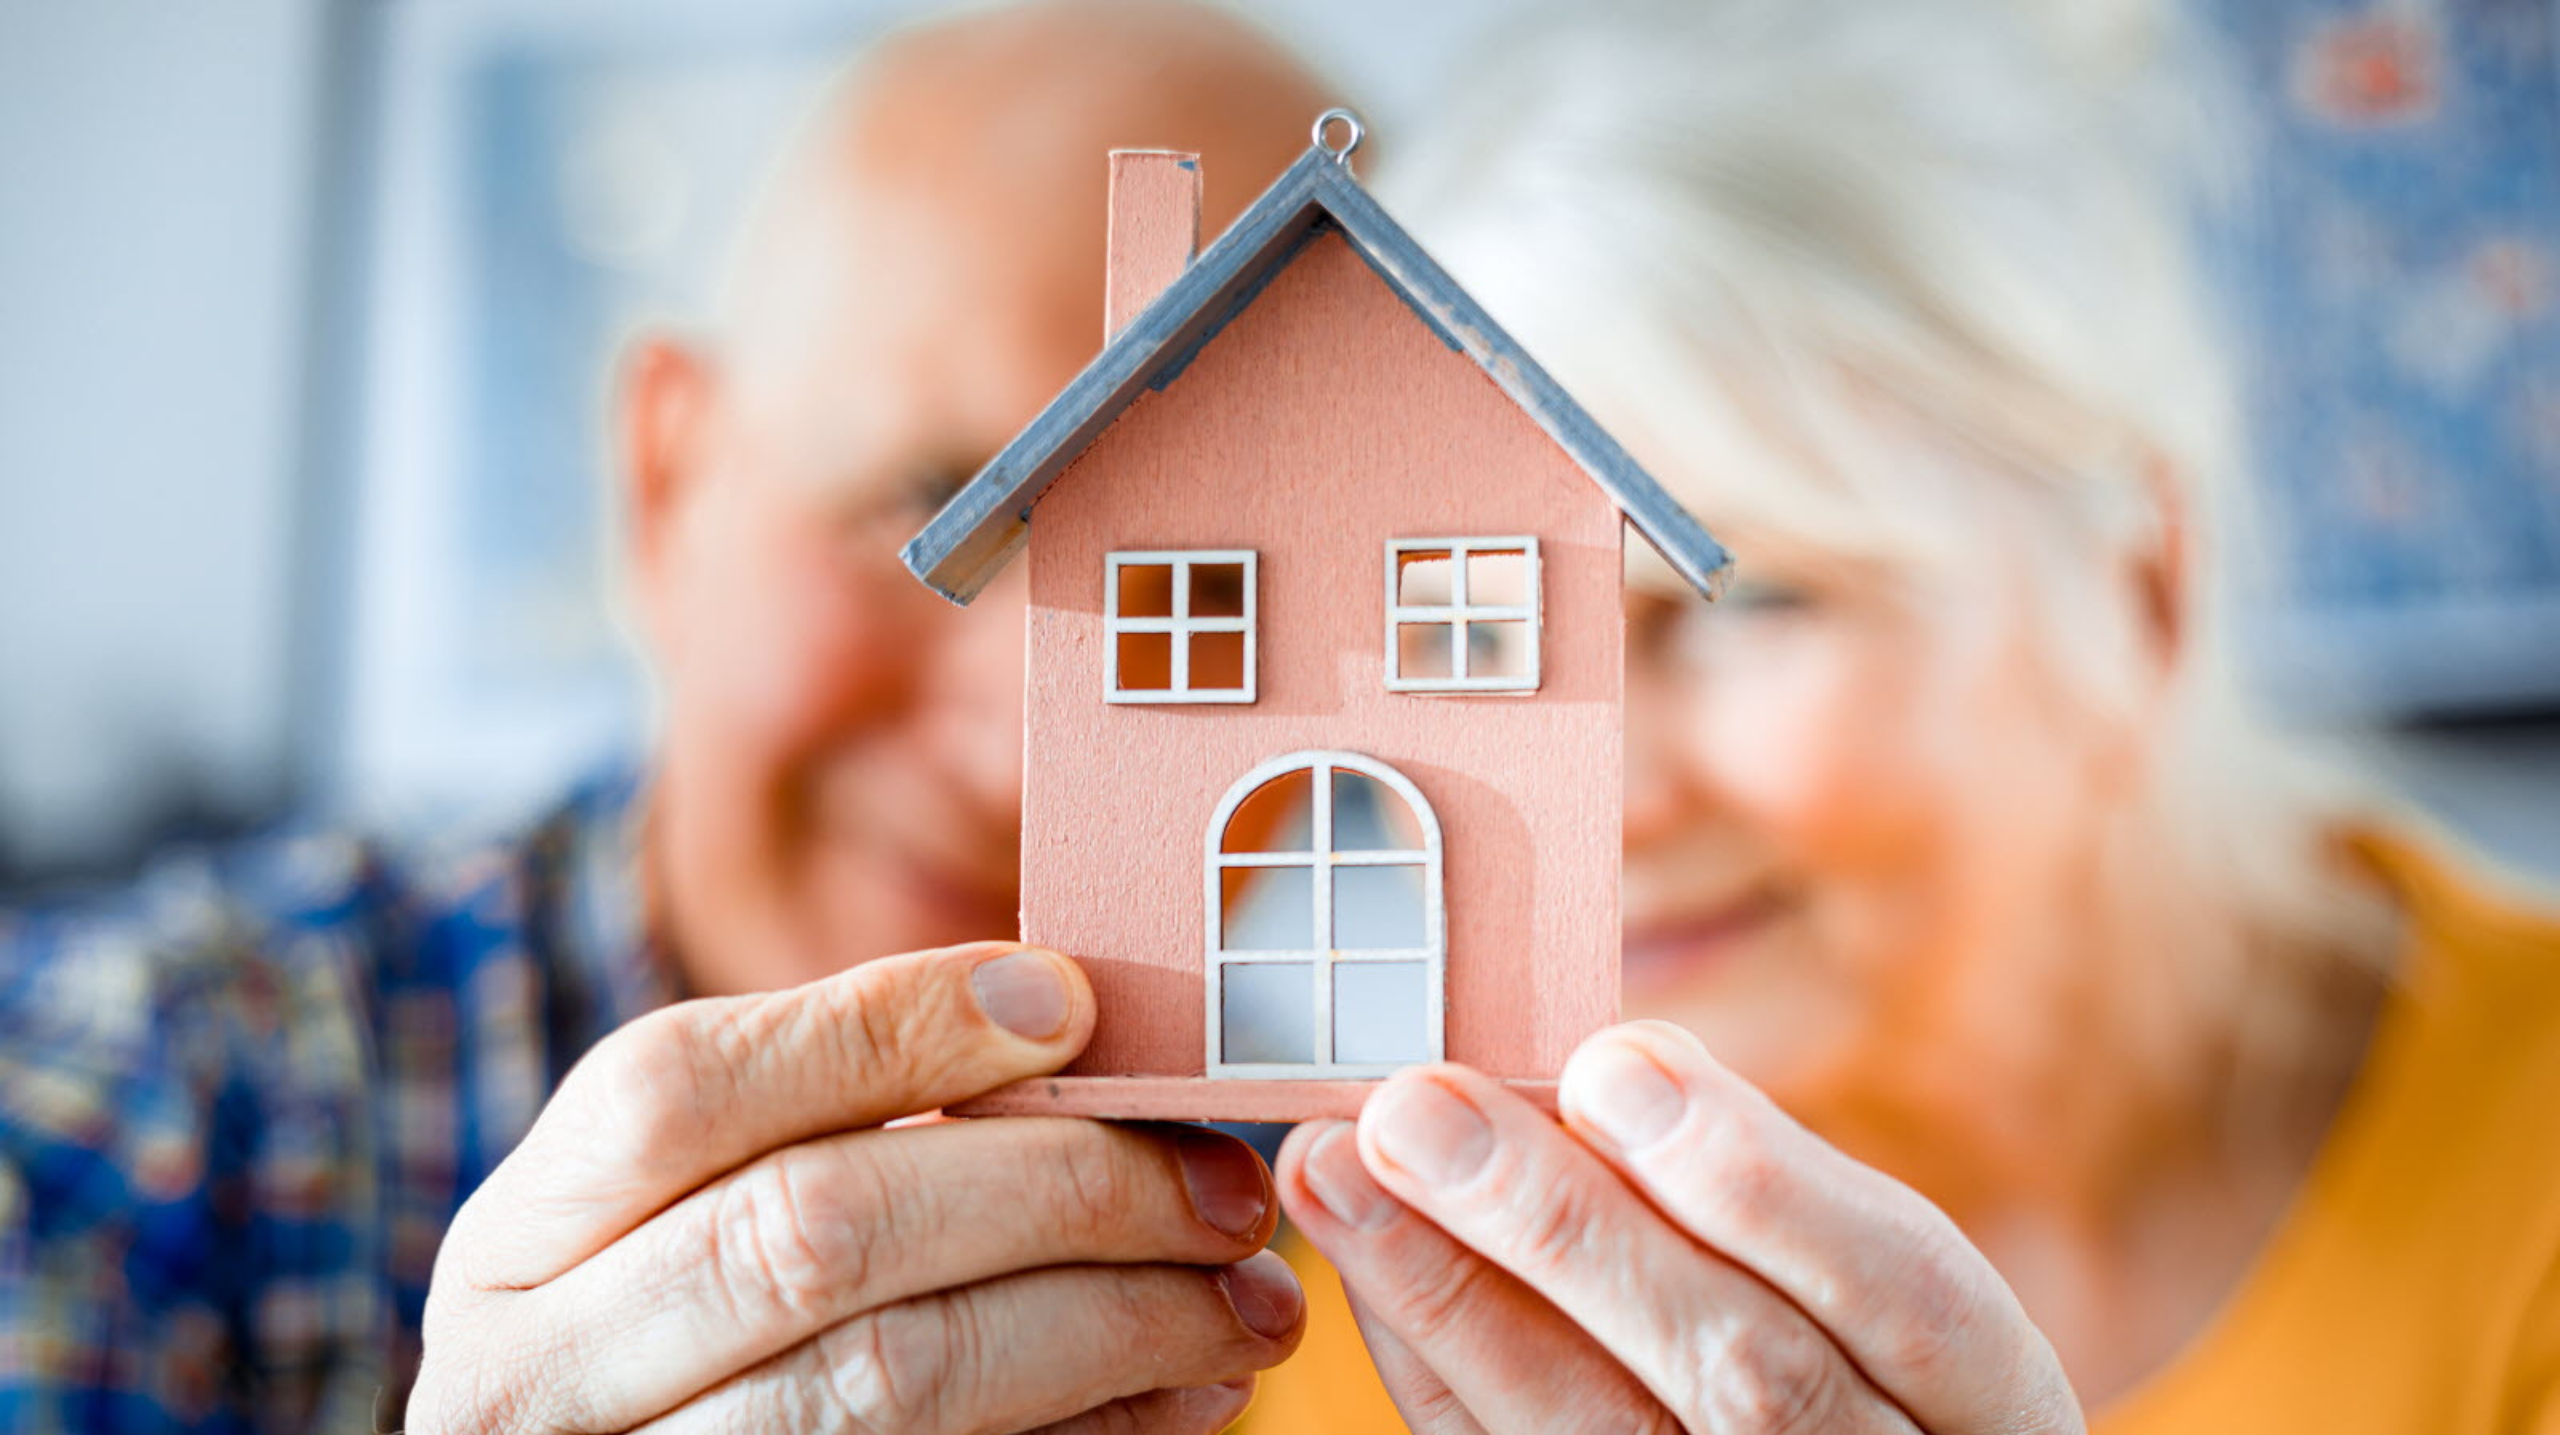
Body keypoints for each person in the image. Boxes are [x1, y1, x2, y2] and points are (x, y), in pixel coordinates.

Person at [0, 4, 1335, 1430]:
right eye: (933, 506)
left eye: (1216, 609)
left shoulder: (1354, 1213)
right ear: (667, 481)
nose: (1023, 763)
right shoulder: (116, 1117)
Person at [1240, 1, 2560, 1430]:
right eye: (1465, 638)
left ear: (2140, 598)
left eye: (1747, 605)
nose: (1597, 801)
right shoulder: (1361, 1329)